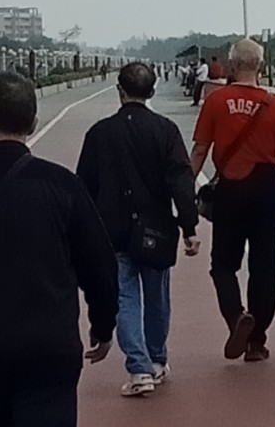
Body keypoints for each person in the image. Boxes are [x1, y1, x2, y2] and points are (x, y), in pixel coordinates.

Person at [0, 73, 119, 427]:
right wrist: (103, 325)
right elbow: (99, 265)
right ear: (33, 123)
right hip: (49, 350)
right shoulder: (64, 186)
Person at [76, 62, 200, 397]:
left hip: (113, 230)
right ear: (153, 90)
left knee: (125, 297)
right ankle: (157, 359)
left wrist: (82, 234)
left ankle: (139, 368)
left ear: (120, 90)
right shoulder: (166, 130)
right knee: (157, 296)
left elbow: (83, 187)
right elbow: (181, 180)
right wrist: (189, 225)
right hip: (156, 229)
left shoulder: (99, 133)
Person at [191, 39, 275, 362]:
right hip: (265, 187)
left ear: (232, 65)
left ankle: (236, 315)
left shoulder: (216, 100)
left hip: (230, 189)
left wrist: (183, 190)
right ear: (261, 66)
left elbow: (200, 150)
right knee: (263, 264)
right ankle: (257, 341)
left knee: (223, 264)